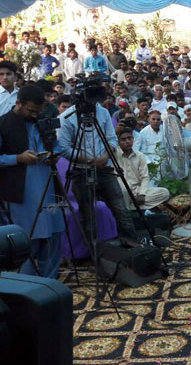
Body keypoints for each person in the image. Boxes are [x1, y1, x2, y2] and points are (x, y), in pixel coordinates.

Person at [0, 85, 64, 279]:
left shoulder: (43, 120)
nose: (35, 115)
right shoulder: (0, 124)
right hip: (21, 192)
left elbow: (57, 146)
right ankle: (26, 285)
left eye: (38, 111)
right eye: (31, 110)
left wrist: (54, 155)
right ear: (18, 103)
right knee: (27, 239)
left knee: (53, 235)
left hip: (48, 187)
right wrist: (17, 158)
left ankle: (50, 283)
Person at [58, 87, 137, 247]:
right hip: (81, 171)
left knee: (121, 210)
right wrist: (89, 160)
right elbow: (64, 149)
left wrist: (105, 157)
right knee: (88, 216)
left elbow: (112, 138)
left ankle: (132, 247)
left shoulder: (102, 112)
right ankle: (95, 253)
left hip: (106, 168)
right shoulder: (67, 117)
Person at [116, 127, 170, 210]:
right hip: (123, 192)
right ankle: (131, 208)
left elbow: (145, 177)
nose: (127, 141)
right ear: (118, 142)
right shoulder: (114, 155)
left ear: (133, 139)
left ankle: (131, 207)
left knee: (164, 193)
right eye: (123, 139)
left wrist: (142, 194)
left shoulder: (140, 155)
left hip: (137, 191)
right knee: (123, 189)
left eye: (129, 138)